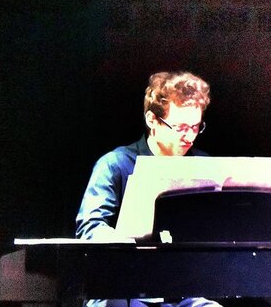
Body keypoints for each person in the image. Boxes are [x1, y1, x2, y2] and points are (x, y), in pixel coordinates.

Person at [76, 71, 220, 307]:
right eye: (180, 127)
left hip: (180, 291)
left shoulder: (202, 165)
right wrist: (133, 244)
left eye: (196, 127)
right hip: (121, 288)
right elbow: (90, 228)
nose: (190, 137)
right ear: (152, 120)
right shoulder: (115, 164)